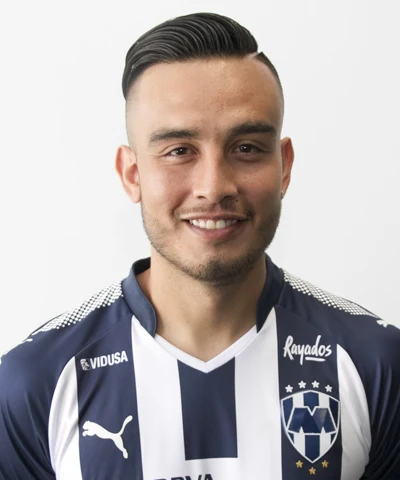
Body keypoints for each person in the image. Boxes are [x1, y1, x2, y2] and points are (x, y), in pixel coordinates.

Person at [0, 12, 399, 480]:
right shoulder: (36, 382)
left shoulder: (375, 364)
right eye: (179, 151)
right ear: (132, 174)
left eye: (246, 147)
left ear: (284, 166)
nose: (214, 187)